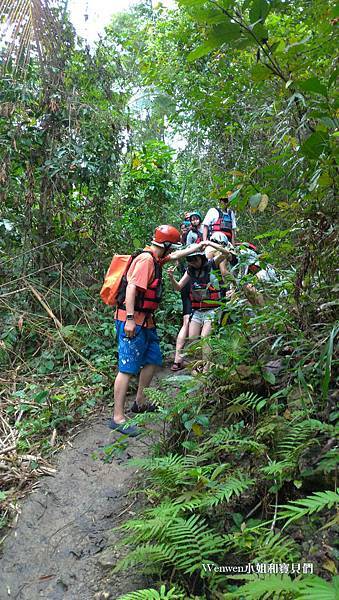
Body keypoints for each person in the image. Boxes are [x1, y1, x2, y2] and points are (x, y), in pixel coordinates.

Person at [109, 226, 206, 436]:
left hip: (147, 321)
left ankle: (140, 402)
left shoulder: (156, 258)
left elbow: (177, 254)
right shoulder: (146, 261)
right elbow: (132, 288)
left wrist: (199, 246)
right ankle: (117, 417)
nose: (173, 251)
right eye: (171, 246)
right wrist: (129, 319)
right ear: (166, 245)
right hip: (132, 320)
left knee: (153, 359)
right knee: (127, 367)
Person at [168, 241, 233, 370]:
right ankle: (199, 364)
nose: (192, 262)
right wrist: (171, 277)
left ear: (201, 257)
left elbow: (226, 253)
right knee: (192, 338)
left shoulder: (211, 264)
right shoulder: (190, 271)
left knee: (205, 337)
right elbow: (179, 287)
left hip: (212, 309)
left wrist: (208, 243)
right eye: (189, 260)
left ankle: (207, 368)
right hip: (197, 310)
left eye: (194, 259)